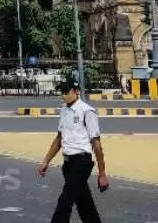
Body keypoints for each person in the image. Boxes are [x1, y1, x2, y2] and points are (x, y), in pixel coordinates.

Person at [36, 80, 108, 223]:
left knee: (65, 202)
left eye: (66, 92)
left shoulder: (87, 111)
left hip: (81, 162)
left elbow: (97, 144)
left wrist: (102, 173)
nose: (63, 95)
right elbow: (59, 139)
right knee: (84, 204)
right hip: (68, 164)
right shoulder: (64, 110)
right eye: (61, 92)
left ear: (76, 91)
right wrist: (45, 161)